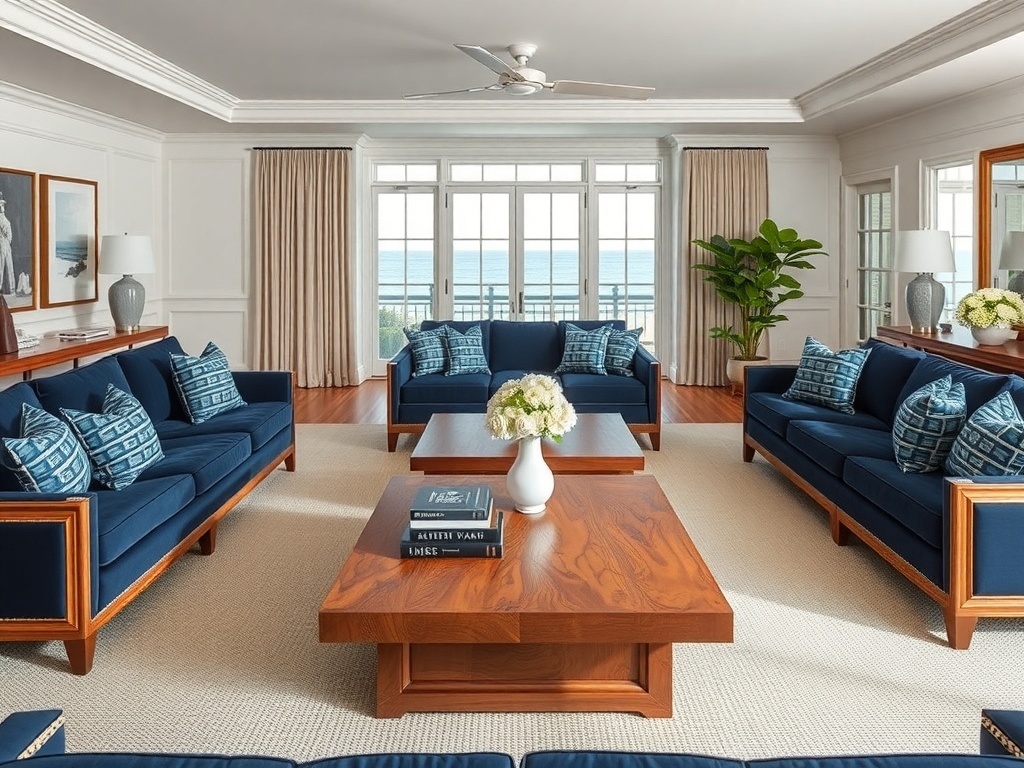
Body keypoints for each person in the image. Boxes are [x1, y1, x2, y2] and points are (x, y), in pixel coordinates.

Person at [0, 195, 14, 296]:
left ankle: (9, 287)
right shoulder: (2, 219)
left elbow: (9, 235)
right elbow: (7, 232)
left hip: (5, 243)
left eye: (3, 205)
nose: (2, 206)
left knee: (7, 263)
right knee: (1, 264)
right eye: (1, 205)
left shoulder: (4, 218)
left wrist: (8, 239)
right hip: (2, 242)